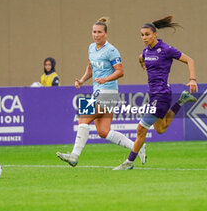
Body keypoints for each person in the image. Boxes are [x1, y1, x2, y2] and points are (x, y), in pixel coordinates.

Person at [56, 17, 146, 167]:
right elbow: (91, 67)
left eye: (99, 32)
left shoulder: (111, 50)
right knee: (103, 131)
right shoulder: (91, 48)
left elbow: (120, 71)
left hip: (108, 93)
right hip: (98, 92)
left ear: (106, 34)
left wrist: (106, 79)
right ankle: (137, 146)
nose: (96, 35)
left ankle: (74, 155)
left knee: (83, 118)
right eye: (94, 32)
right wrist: (82, 80)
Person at [113, 15, 198, 170]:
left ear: (155, 34)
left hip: (162, 94)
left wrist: (192, 79)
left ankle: (129, 162)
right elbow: (142, 56)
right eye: (142, 35)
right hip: (153, 95)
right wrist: (141, 62)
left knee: (140, 129)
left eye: (147, 34)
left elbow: (190, 60)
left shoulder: (166, 49)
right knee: (160, 128)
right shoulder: (146, 51)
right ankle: (182, 100)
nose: (144, 38)